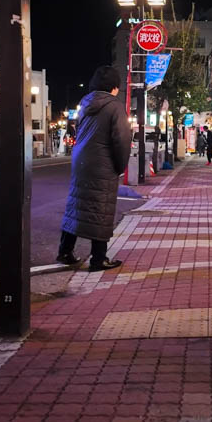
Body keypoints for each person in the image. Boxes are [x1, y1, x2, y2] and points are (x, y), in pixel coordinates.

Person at [57, 66, 131, 271]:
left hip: (81, 161)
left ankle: (65, 251)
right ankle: (98, 258)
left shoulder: (85, 102)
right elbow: (122, 140)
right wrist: (119, 166)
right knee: (100, 208)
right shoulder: (114, 106)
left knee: (76, 205)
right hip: (102, 163)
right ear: (115, 87)